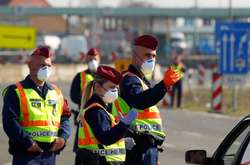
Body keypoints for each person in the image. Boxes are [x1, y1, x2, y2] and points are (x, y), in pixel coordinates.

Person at [112, 35, 183, 165]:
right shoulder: (129, 80)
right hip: (136, 149)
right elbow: (140, 102)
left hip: (146, 148)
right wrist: (164, 84)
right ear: (134, 56)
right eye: (147, 55)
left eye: (154, 56)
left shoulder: (141, 81)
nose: (151, 59)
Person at [2, 45, 71, 165]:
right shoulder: (16, 91)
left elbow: (65, 117)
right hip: (26, 153)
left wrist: (63, 138)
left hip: (50, 153)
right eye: (42, 65)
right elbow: (10, 122)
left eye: (48, 66)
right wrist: (28, 143)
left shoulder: (56, 92)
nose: (46, 69)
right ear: (30, 65)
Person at [75, 65, 137, 165]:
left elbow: (99, 137)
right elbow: (106, 138)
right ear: (98, 87)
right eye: (112, 88)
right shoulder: (96, 111)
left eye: (117, 88)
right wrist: (123, 125)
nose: (115, 92)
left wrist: (121, 141)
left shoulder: (100, 109)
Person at [70, 47, 101, 124]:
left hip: (101, 113)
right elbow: (73, 95)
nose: (93, 62)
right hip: (84, 114)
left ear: (99, 59)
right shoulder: (79, 76)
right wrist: (86, 102)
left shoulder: (104, 76)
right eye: (90, 59)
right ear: (86, 60)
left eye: (95, 59)